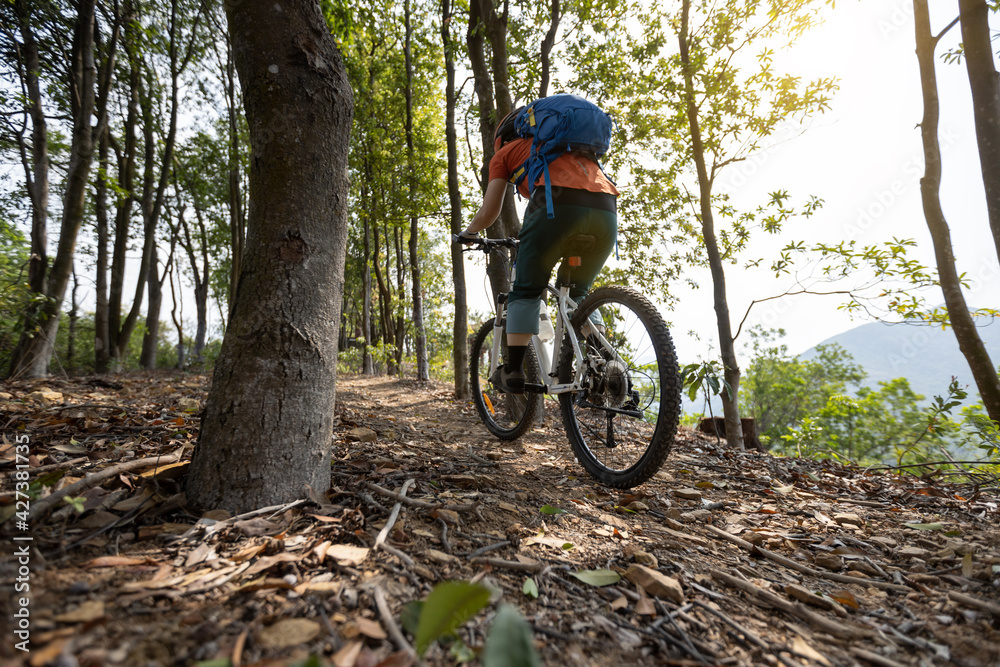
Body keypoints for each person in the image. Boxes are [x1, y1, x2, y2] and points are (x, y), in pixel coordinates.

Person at [459, 109, 619, 394]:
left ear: (503, 138)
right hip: (606, 210)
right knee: (578, 294)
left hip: (556, 208)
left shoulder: (506, 153)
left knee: (526, 290)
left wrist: (470, 233)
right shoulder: (574, 149)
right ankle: (606, 363)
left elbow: (490, 211)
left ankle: (513, 371)